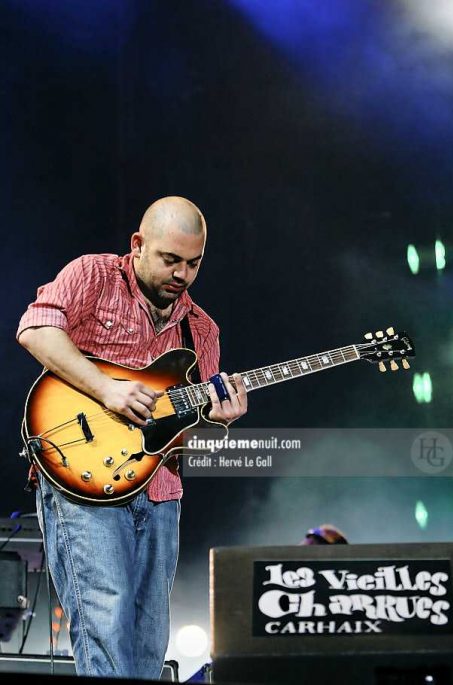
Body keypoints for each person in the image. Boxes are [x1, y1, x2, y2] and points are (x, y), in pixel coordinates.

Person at [16, 196, 247, 679]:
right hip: (81, 476)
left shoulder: (201, 330)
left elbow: (183, 439)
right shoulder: (93, 275)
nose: (181, 274)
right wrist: (107, 389)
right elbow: (36, 330)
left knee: (147, 641)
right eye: (170, 259)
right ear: (138, 245)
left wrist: (218, 422)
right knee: (106, 621)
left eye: (193, 263)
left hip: (160, 489)